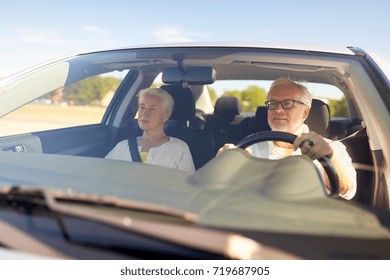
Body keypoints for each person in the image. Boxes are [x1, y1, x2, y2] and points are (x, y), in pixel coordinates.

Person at [218, 78, 357, 200]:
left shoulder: (330, 148)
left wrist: (330, 158)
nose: (278, 110)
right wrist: (222, 163)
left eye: (287, 103)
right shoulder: (249, 146)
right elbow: (223, 190)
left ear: (305, 112)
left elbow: (346, 191)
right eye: (272, 104)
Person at [105, 87, 195, 172]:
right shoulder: (122, 146)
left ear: (166, 116)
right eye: (142, 107)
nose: (144, 113)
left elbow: (188, 186)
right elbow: (103, 174)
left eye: (152, 109)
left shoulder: (179, 149)